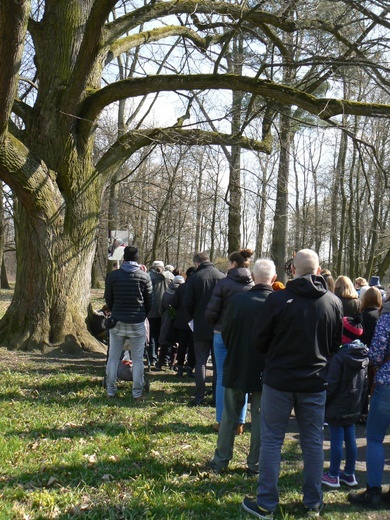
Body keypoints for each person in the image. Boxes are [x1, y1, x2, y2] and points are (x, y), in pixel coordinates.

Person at [242, 249, 343, 519]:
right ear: (318, 271)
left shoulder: (279, 300)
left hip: (281, 379)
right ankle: (312, 503)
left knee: (273, 440)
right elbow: (334, 345)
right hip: (313, 380)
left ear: (294, 271)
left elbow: (259, 338)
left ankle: (266, 504)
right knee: (311, 442)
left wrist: (275, 356)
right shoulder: (332, 302)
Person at [209, 258, 276, 475]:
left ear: (254, 277)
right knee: (260, 418)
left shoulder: (238, 301)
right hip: (265, 368)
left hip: (237, 363)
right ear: (273, 279)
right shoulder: (278, 303)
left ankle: (221, 460)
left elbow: (226, 333)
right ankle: (255, 463)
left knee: (229, 415)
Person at [205, 248, 254, 433]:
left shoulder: (223, 283)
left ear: (233, 264)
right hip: (244, 336)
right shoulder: (253, 284)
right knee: (242, 377)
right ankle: (239, 423)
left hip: (222, 333)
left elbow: (211, 311)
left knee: (223, 378)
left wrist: (215, 322)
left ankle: (221, 420)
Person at [348, 307, 390, 507]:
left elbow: (376, 355)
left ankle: (373, 491)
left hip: (387, 384)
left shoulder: (387, 318)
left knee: (374, 438)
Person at [322, 315, 368, 488]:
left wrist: (323, 402)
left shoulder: (339, 357)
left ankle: (333, 474)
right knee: (351, 439)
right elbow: (365, 384)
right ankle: (349, 473)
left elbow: (332, 384)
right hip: (353, 404)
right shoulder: (364, 355)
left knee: (336, 439)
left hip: (337, 405)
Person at [104, 246, 153, 401]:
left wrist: (115, 311)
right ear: (137, 258)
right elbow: (149, 301)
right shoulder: (144, 277)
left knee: (113, 358)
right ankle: (137, 394)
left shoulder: (113, 276)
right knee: (138, 360)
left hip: (117, 322)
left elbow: (108, 299)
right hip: (137, 322)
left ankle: (110, 391)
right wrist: (142, 315)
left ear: (124, 258)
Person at [184, 252, 225, 406]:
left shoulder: (194, 278)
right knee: (217, 364)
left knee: (200, 361)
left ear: (196, 263)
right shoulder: (222, 277)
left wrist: (193, 317)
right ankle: (216, 397)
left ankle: (199, 396)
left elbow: (187, 303)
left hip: (200, 324)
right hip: (219, 325)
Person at [171, 266, 197, 377]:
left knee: (182, 345)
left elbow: (174, 304)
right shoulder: (197, 288)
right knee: (192, 346)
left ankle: (180, 367)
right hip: (193, 321)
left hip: (181, 321)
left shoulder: (181, 288)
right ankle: (190, 368)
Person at [156, 275, 185, 369]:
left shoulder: (167, 292)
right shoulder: (184, 292)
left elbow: (161, 307)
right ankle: (172, 363)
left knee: (163, 341)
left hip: (167, 318)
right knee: (175, 343)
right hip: (179, 319)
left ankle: (160, 363)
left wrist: (164, 315)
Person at [147, 260, 173, 366]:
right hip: (167, 310)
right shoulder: (170, 276)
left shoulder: (148, 276)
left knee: (152, 334)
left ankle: (152, 358)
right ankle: (165, 358)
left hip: (151, 310)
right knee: (165, 334)